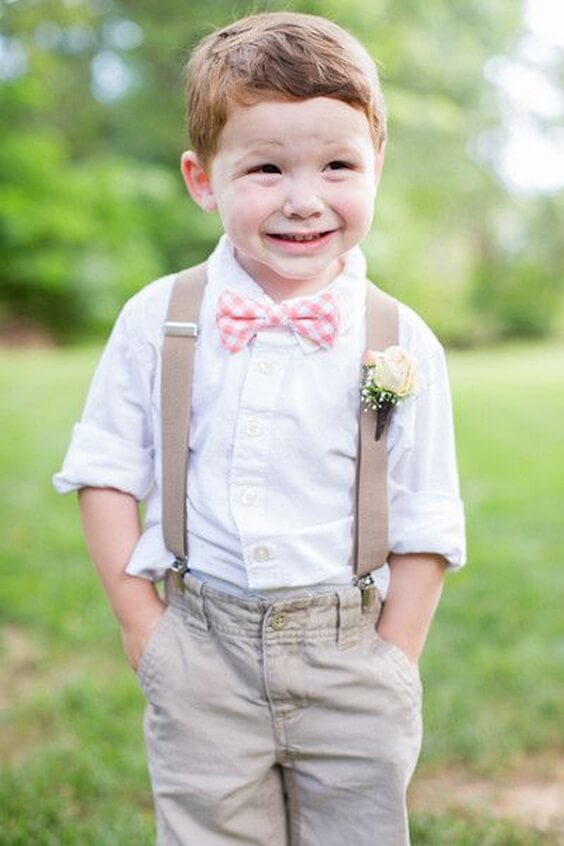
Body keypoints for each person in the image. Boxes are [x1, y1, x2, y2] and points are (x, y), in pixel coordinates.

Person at [53, 11, 466, 846]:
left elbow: (426, 511)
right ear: (203, 179)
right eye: (267, 168)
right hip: (201, 644)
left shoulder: (398, 340)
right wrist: (145, 628)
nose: (304, 199)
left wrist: (395, 657)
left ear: (377, 167)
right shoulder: (159, 318)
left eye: (338, 166)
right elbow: (105, 472)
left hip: (353, 654)